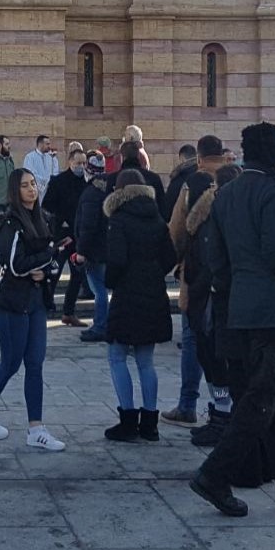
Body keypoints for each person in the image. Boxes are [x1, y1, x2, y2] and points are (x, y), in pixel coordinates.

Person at [190, 122, 275, 518]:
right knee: (262, 400)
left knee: (273, 403)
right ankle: (214, 474)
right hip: (270, 308)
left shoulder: (226, 193)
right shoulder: (273, 191)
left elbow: (217, 260)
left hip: (237, 308)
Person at [0, 168, 66, 451]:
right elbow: (15, 265)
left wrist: (44, 271)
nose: (32, 189)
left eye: (34, 184)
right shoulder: (10, 222)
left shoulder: (44, 219)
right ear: (15, 190)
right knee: (10, 364)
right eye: (25, 185)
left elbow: (54, 263)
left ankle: (36, 429)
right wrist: (43, 262)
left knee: (35, 363)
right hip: (11, 302)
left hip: (35, 301)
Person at [101, 169, 176, 442]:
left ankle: (128, 420)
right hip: (154, 292)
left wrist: (111, 281)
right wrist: (153, 273)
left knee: (117, 355)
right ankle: (150, 423)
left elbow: (117, 260)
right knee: (146, 360)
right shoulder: (156, 218)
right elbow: (171, 256)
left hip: (127, 294)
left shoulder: (119, 219)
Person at [163, 135, 228, 429]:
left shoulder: (193, 185)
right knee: (225, 340)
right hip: (230, 276)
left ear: (199, 159)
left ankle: (188, 405)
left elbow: (176, 231)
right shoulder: (234, 180)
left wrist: (172, 263)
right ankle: (224, 405)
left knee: (193, 337)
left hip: (197, 274)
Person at [41, 147, 90, 326]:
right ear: (70, 162)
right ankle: (46, 306)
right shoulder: (58, 181)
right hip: (61, 235)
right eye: (78, 163)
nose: (81, 166)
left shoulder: (87, 182)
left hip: (78, 237)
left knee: (77, 275)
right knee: (54, 272)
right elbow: (46, 207)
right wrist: (60, 222)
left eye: (83, 163)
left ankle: (69, 312)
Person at [73, 151, 113, 342]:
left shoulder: (92, 193)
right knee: (103, 290)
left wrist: (81, 251)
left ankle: (100, 326)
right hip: (106, 248)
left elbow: (88, 225)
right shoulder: (109, 189)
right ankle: (104, 324)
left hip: (94, 251)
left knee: (99, 291)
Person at [21, 135, 59, 200]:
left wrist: (51, 182)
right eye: (47, 144)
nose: (49, 146)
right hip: (36, 190)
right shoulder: (30, 157)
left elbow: (55, 171)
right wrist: (43, 182)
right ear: (40, 144)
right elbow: (29, 173)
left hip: (50, 190)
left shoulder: (52, 157)